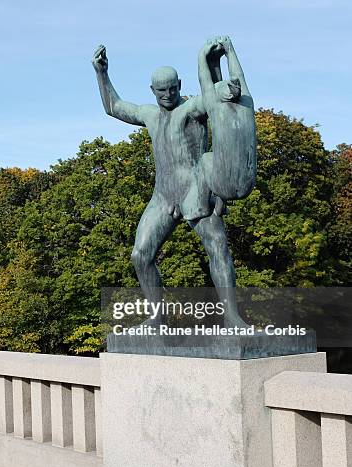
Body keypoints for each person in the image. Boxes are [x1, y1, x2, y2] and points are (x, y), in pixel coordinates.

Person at [92, 38, 253, 327]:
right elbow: (114, 106)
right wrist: (102, 73)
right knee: (140, 255)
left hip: (196, 192)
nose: (167, 94)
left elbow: (220, 96)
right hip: (163, 197)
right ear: (152, 91)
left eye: (173, 88)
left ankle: (232, 317)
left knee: (218, 248)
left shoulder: (192, 109)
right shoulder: (150, 115)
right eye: (161, 90)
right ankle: (157, 317)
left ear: (180, 84)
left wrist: (224, 64)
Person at [197, 36, 256, 202]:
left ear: (226, 94)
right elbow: (239, 76)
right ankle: (220, 203)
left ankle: (201, 204)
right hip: (247, 185)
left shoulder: (216, 107)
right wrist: (230, 51)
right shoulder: (247, 104)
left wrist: (202, 56)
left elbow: (204, 81)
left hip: (222, 185)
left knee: (206, 158)